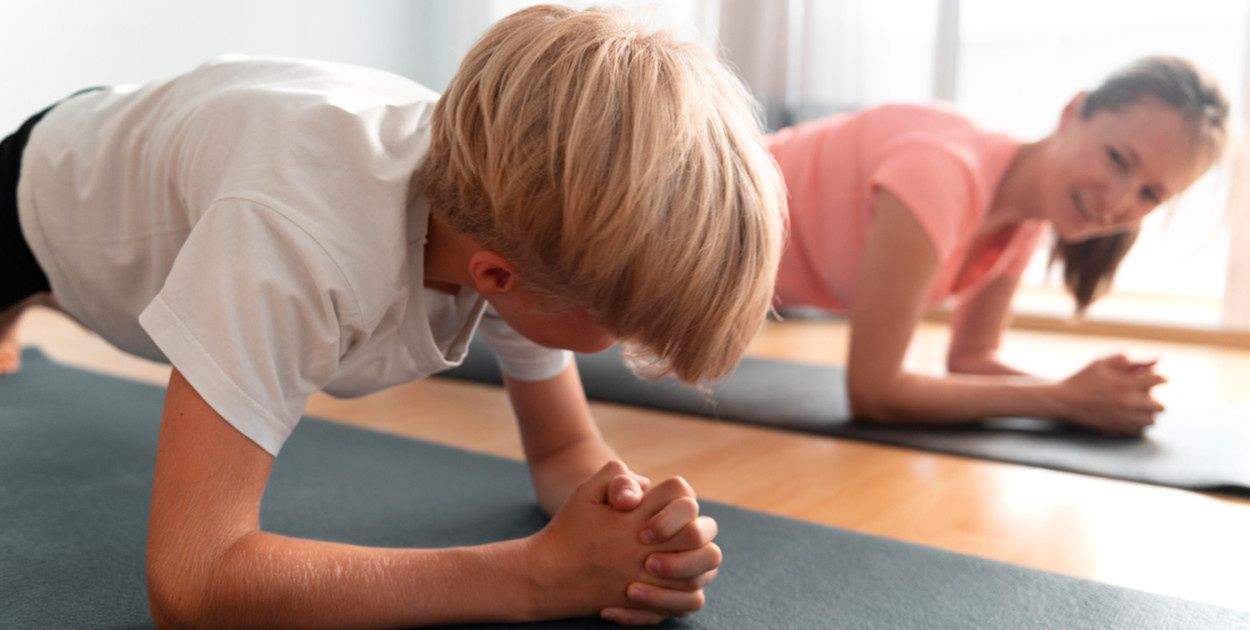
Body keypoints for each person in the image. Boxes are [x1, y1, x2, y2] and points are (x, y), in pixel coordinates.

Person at [0, 5, 785, 627]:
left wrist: (627, 532)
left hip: (173, 146)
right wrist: (536, 579)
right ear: (498, 277)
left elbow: (564, 449)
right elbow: (194, 584)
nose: (621, 342)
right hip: (48, 187)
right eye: (622, 324)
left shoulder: (510, 205)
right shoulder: (295, 239)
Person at [768, 56, 1228, 435]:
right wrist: (1065, 400)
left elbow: (972, 358)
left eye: (1150, 194)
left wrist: (1089, 393)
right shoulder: (942, 172)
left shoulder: (1024, 217)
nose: (1117, 202)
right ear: (1073, 112)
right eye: (1117, 159)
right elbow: (874, 392)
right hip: (698, 215)